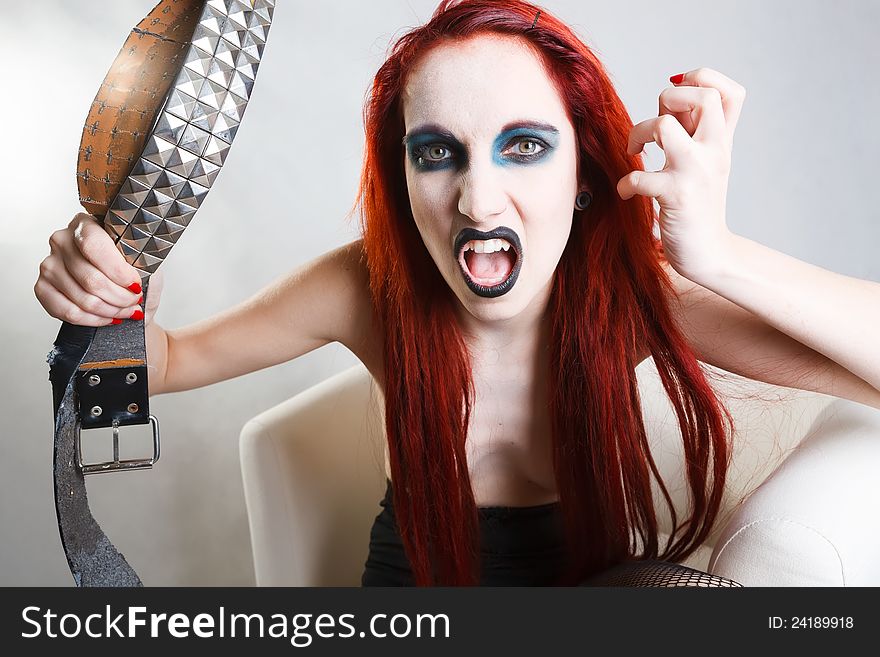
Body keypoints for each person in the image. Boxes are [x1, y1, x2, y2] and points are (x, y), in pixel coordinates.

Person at [34, 0, 880, 586]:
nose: (478, 201)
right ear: (401, 176)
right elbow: (163, 363)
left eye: (523, 146)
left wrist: (720, 256)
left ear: (583, 175)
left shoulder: (627, 299)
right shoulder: (369, 288)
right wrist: (104, 294)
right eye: (437, 152)